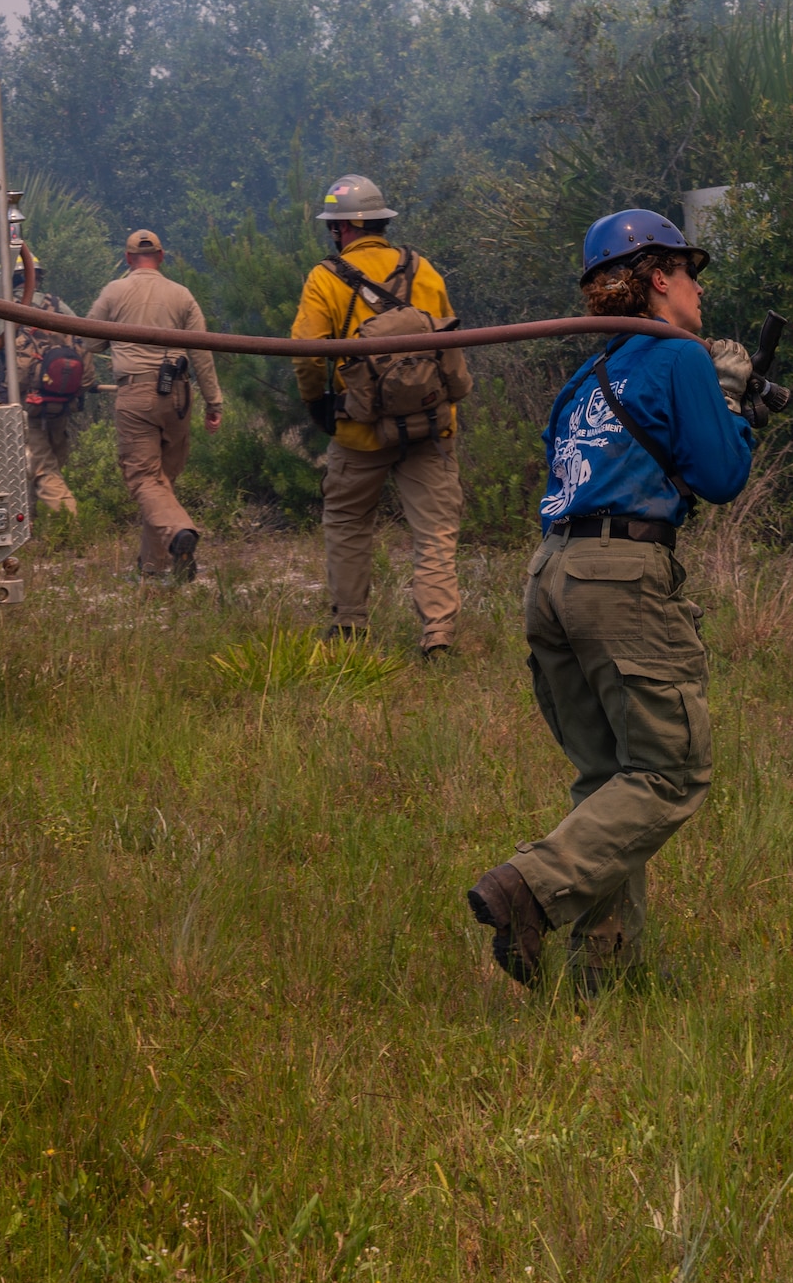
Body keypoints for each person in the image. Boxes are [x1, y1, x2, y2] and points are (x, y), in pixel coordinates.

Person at [466, 209, 757, 994]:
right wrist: (732, 403)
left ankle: (608, 975)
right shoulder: (681, 355)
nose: (699, 290)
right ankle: (529, 888)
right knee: (668, 772)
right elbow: (722, 477)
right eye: (690, 273)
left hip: (549, 576)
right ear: (659, 277)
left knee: (609, 779)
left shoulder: (582, 380)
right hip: (619, 576)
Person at [291, 175, 468, 659]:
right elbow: (450, 336)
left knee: (348, 523)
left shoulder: (325, 277)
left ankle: (349, 626)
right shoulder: (423, 269)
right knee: (434, 534)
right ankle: (438, 635)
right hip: (431, 427)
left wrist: (316, 404)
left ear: (342, 227)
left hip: (358, 432)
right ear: (380, 223)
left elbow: (306, 356)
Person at [83, 229, 224, 582]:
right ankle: (153, 568)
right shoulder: (182, 295)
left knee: (144, 479)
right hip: (178, 395)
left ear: (127, 259)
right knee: (160, 482)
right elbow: (201, 353)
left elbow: (89, 340)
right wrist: (214, 403)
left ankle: (179, 533)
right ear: (161, 256)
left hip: (136, 395)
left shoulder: (115, 290)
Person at [3, 254, 88, 516]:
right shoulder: (58, 306)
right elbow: (81, 340)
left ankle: (72, 524)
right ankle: (33, 524)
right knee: (50, 462)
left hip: (26, 402)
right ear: (36, 277)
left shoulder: (1, 306)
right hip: (61, 400)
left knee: (42, 467)